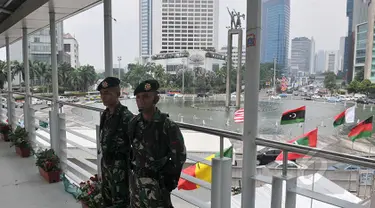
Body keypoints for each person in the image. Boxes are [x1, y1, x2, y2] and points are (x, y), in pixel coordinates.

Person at [128, 80, 187, 208]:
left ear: (156, 99)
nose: (141, 100)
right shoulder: (134, 123)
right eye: (138, 97)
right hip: (137, 185)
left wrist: (168, 182)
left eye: (146, 96)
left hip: (157, 187)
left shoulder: (167, 126)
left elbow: (179, 156)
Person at [97, 77, 134, 208]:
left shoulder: (127, 117)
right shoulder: (105, 114)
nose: (103, 96)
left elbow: (135, 146)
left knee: (121, 203)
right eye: (101, 93)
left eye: (107, 93)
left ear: (118, 94)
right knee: (106, 200)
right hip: (107, 167)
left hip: (120, 172)